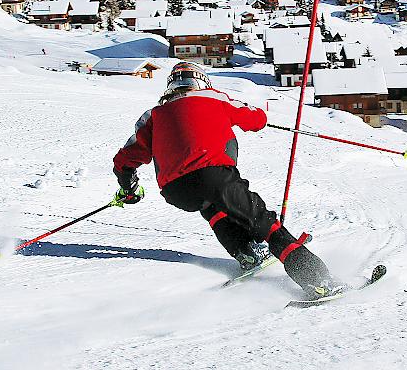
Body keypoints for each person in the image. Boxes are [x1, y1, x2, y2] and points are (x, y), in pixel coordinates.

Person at [112, 61, 341, 298]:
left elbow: (125, 160)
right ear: (202, 82)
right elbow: (255, 118)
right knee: (263, 222)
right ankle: (318, 280)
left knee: (211, 205)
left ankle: (245, 251)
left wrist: (129, 187)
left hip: (176, 191)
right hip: (216, 175)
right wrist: (257, 120)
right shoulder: (214, 98)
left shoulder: (153, 116)